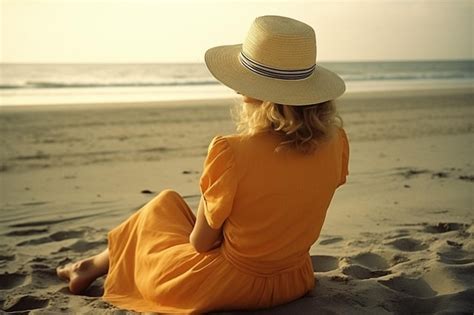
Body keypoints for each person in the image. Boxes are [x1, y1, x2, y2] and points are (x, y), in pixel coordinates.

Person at [56, 15, 349, 313]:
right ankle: (88, 265)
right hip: (293, 281)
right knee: (171, 206)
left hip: (227, 286)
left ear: (254, 90)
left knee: (161, 207)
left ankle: (88, 266)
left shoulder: (231, 151)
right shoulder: (336, 141)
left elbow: (201, 243)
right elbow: (290, 203)